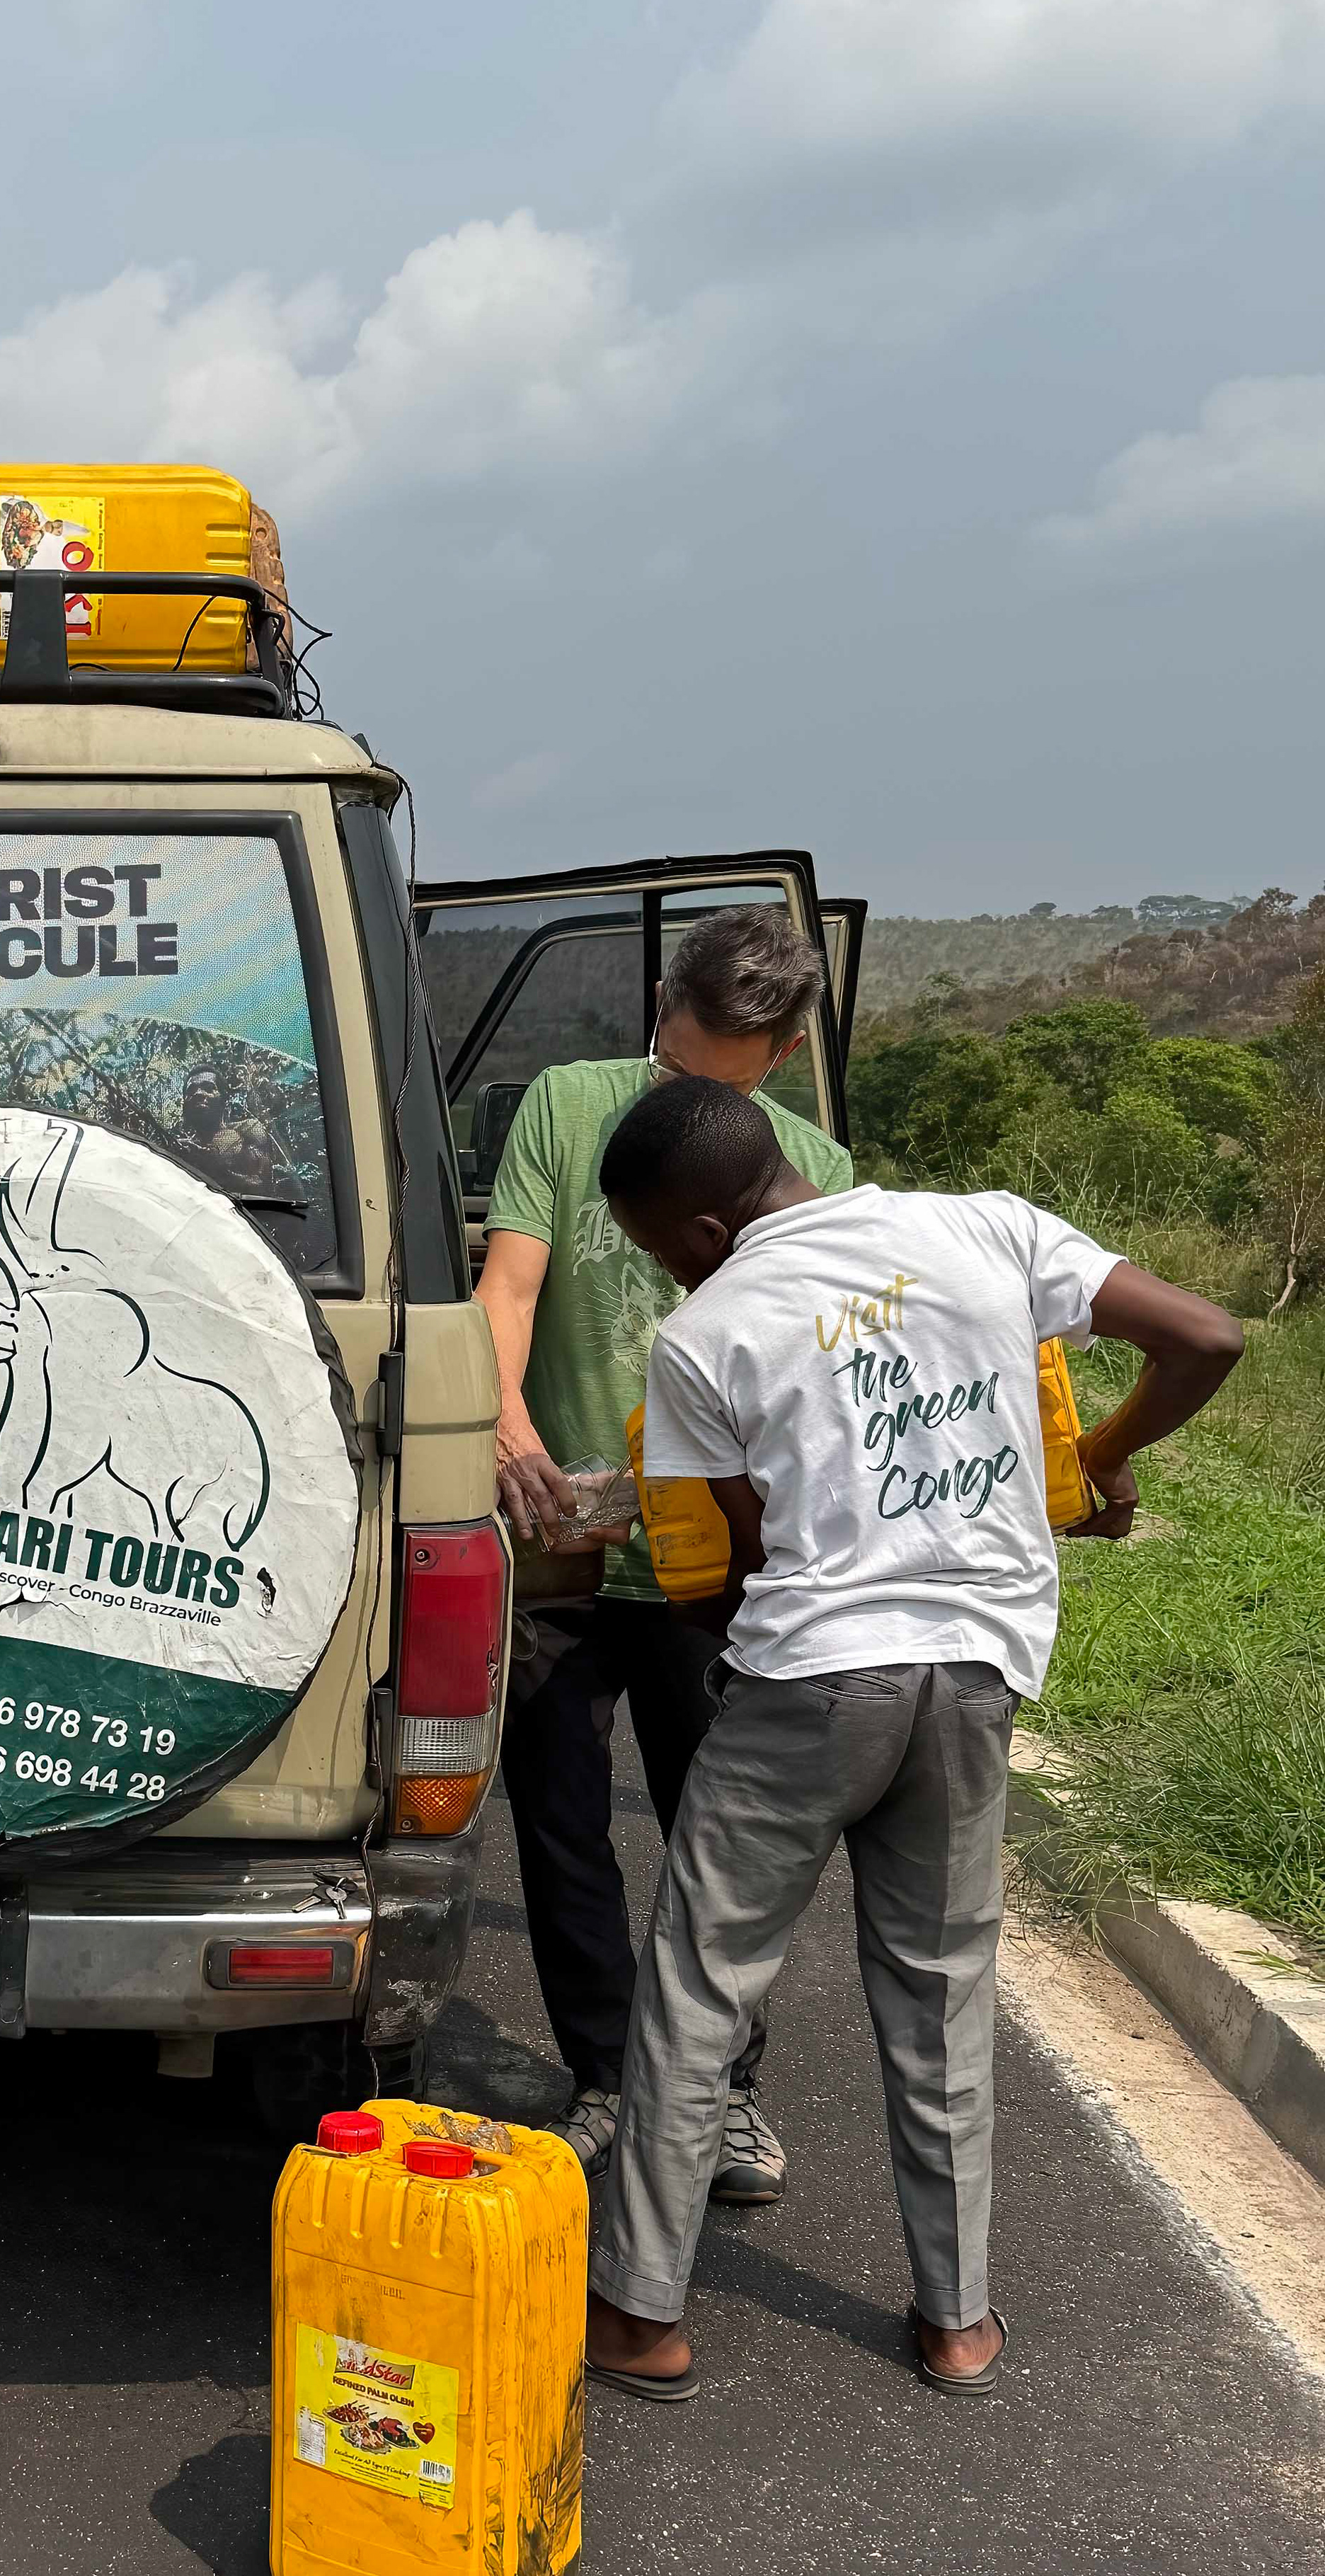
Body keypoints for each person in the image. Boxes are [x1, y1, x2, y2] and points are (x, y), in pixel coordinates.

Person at [582, 1076, 1241, 2400]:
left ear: (702, 1232)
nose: (666, 1269)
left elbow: (732, 1571)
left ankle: (646, 2315)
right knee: (941, 1992)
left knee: (703, 1982)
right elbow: (1207, 1335)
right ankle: (957, 2319)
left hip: (810, 1688)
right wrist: (1095, 1464)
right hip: (981, 1669)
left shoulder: (707, 1330)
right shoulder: (990, 1228)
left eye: (658, 1247)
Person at [476, 908, 854, 2190]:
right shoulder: (570, 1105)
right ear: (657, 997)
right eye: (684, 1064)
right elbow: (509, 1291)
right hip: (565, 1545)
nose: (697, 1102)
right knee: (563, 1821)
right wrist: (509, 1427)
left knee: (725, 1834)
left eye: (729, 1084)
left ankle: (724, 2091)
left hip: (726, 1570)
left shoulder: (821, 1166)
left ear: (788, 1056)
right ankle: (602, 2071)